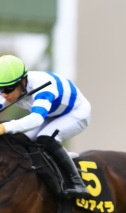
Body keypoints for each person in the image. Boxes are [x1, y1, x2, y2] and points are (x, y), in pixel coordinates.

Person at [0, 54, 91, 199]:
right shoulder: (8, 88)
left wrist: (5, 127)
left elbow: (36, 119)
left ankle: (76, 182)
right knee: (22, 140)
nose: (4, 95)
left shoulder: (43, 87)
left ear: (23, 82)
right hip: (50, 114)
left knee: (45, 138)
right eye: (1, 89)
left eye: (8, 89)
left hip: (75, 113)